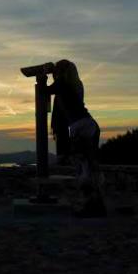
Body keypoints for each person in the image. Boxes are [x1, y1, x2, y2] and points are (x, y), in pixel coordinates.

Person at [46, 59, 106, 217]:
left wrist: (45, 73)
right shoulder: (75, 85)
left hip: (81, 127)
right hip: (89, 125)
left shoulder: (62, 85)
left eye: (57, 71)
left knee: (83, 168)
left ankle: (91, 207)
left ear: (60, 72)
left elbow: (44, 90)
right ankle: (97, 205)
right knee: (89, 167)